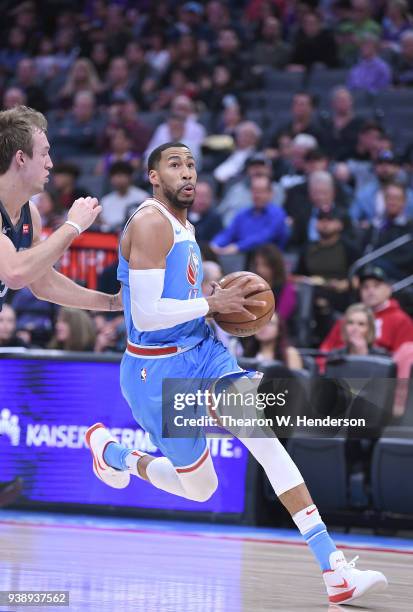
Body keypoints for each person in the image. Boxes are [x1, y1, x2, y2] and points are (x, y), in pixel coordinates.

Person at [86, 142, 387, 606]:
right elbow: (145, 316)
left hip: (203, 353)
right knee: (199, 487)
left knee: (263, 437)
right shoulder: (148, 222)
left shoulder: (185, 224)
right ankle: (115, 455)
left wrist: (207, 302)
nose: (187, 172)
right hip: (155, 370)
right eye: (174, 164)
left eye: (191, 164)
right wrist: (212, 303)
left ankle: (333, 568)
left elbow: (174, 299)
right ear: (152, 176)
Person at [0, 106, 123, 327]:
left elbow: (44, 283)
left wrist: (113, 302)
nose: (50, 163)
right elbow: (14, 273)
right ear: (21, 158)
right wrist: (73, 226)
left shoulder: (31, 214)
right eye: (44, 153)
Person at [320, 266, 413, 355]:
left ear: (388, 289)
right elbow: (324, 353)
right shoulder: (348, 317)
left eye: (376, 286)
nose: (370, 291)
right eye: (365, 287)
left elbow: (404, 360)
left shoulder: (402, 321)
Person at [210, 175, 288, 255]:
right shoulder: (242, 214)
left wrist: (237, 247)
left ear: (270, 193)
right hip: (240, 259)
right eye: (255, 191)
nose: (257, 195)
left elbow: (263, 238)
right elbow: (228, 233)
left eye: (261, 191)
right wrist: (214, 245)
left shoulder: (278, 214)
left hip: (268, 261)